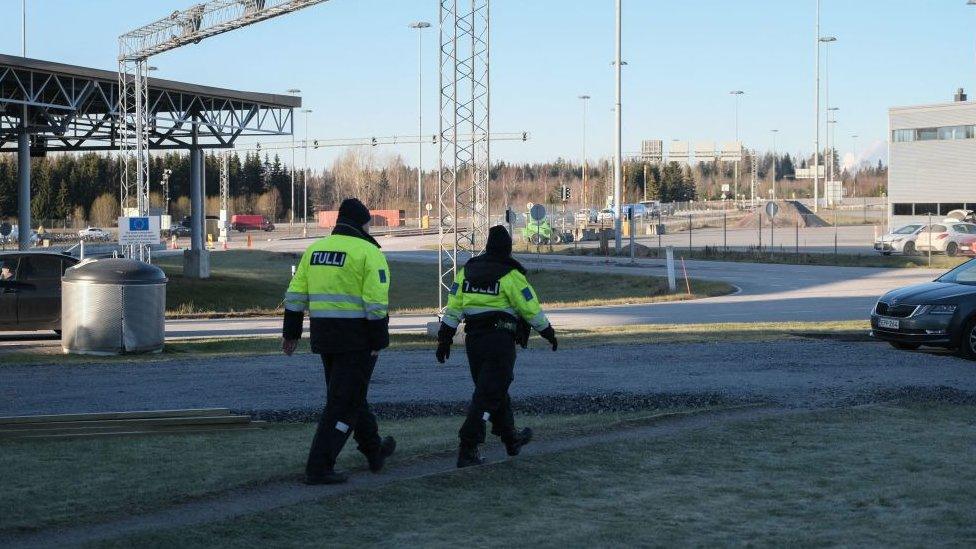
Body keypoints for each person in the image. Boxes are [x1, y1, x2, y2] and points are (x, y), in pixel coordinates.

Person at [282, 198, 396, 485]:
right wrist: (378, 339)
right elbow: (375, 304)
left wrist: (291, 332)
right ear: (362, 222)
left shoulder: (315, 250)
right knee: (343, 404)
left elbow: (295, 295)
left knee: (351, 396)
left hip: (324, 336)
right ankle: (319, 467)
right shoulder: (369, 253)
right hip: (357, 338)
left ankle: (374, 451)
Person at [436, 225, 558, 468]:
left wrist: (445, 338)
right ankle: (467, 446)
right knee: (487, 395)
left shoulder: (467, 272)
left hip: (474, 342)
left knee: (491, 390)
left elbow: (453, 308)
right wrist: (548, 332)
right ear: (508, 249)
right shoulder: (510, 274)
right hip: (500, 340)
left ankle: (511, 438)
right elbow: (529, 308)